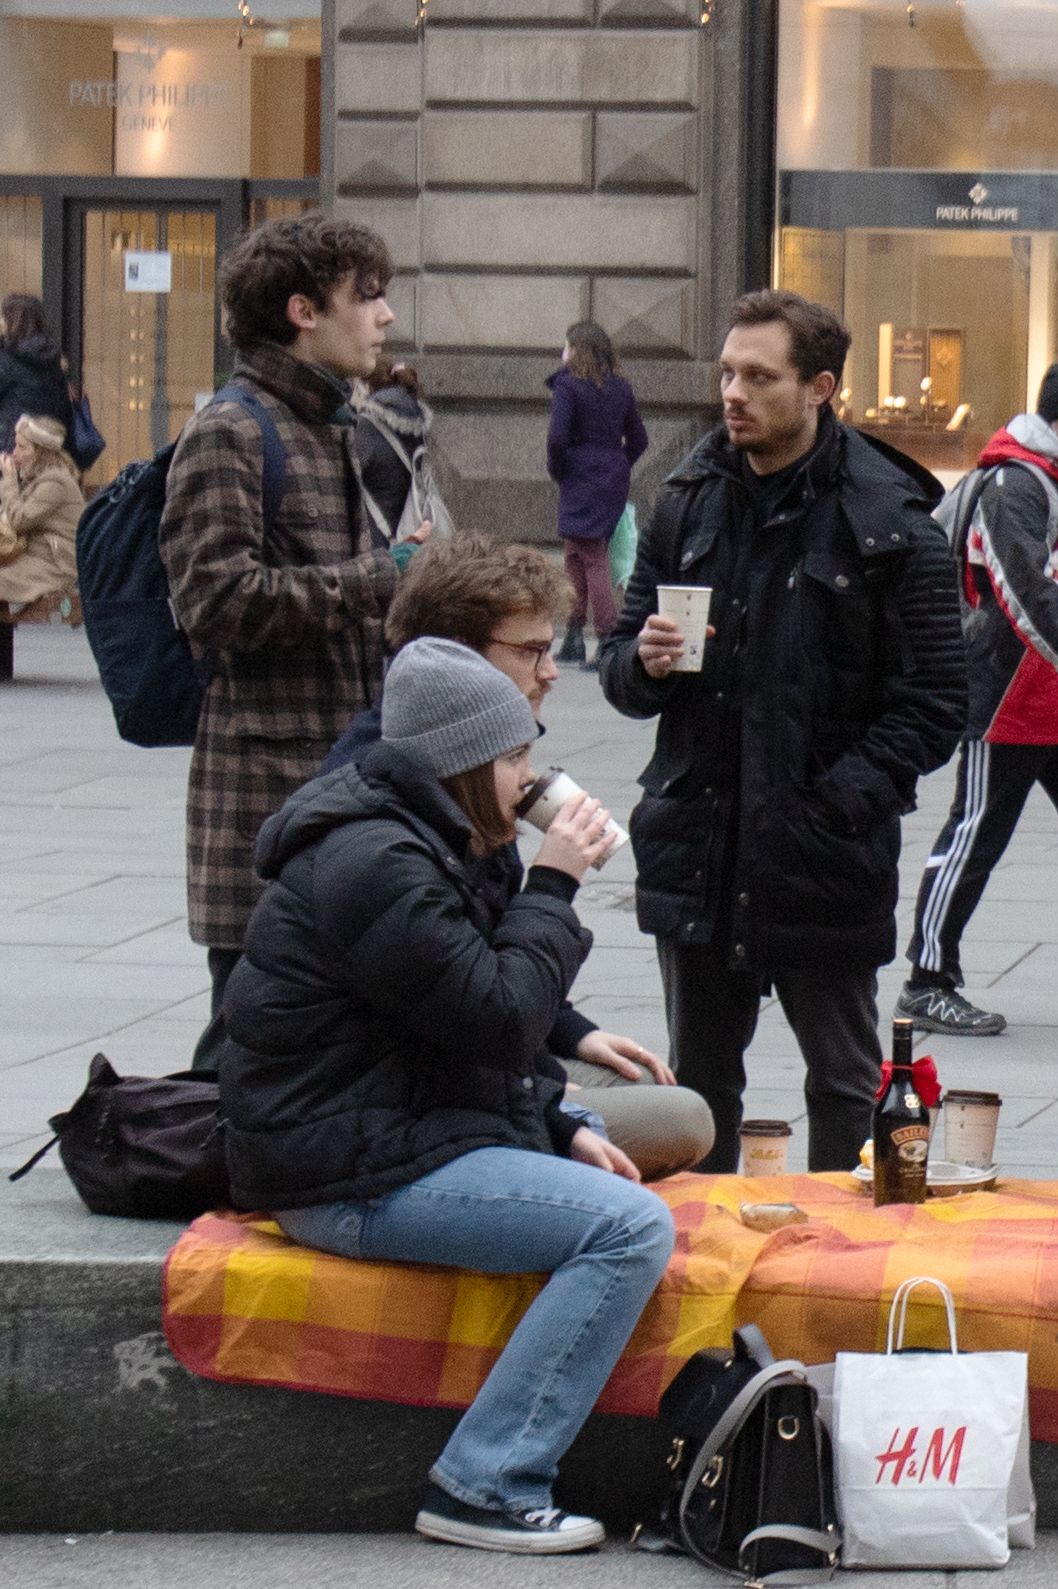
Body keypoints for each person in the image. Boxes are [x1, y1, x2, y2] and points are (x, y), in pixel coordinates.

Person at [218, 637, 671, 1556]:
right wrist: (555, 879)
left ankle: (495, 1473)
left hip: (383, 1132)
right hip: (340, 1175)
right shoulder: (377, 860)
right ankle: (489, 1482)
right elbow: (500, 1018)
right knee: (627, 1228)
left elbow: (453, 1032)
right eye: (514, 758)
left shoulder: (420, 838)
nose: (529, 777)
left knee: (635, 1140)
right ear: (463, 763)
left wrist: (551, 1120)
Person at [599, 289, 965, 1174]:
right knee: (698, 1090)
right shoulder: (685, 501)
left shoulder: (891, 525)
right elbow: (619, 669)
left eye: (759, 376)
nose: (733, 392)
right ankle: (702, 1268)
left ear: (820, 388)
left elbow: (937, 701)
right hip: (699, 846)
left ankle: (844, 1269)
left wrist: (833, 804)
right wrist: (640, 664)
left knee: (843, 1081)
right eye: (727, 371)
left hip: (821, 855)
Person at [321, 534, 713, 1179]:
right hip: (392, 1105)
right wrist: (542, 1089)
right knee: (680, 1122)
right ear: (453, 656)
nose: (552, 671)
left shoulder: (444, 770)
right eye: (531, 651)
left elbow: (464, 961)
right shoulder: (396, 802)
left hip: (453, 1065)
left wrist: (569, 1033)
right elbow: (448, 1007)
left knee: (650, 1085)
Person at [160, 215, 412, 1014]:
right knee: (245, 1055)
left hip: (341, 788)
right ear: (304, 311)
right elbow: (218, 601)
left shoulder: (332, 423)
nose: (385, 315)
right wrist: (379, 576)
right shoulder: (231, 431)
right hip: (263, 804)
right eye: (366, 296)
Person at [897, 364, 1058, 1035]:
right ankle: (926, 979)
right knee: (973, 837)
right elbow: (1030, 600)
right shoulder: (1016, 484)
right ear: (1055, 420)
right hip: (1008, 703)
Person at [547, 322, 647, 668]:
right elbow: (639, 439)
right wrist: (617, 465)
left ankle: (606, 638)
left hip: (580, 475)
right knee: (575, 553)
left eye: (566, 345)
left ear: (576, 350)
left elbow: (557, 439)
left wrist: (562, 469)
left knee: (591, 556)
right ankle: (574, 636)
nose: (564, 352)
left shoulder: (568, 386)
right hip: (610, 477)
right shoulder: (621, 388)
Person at [0, 415, 83, 625]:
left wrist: (9, 482)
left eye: (22, 447)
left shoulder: (55, 482)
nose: (15, 453)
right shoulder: (41, 479)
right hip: (37, 557)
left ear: (41, 452)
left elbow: (19, 519)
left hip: (54, 564)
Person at [354, 357, 434, 562]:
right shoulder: (415, 422)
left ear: (366, 386)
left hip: (374, 541)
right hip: (408, 527)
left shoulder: (369, 425)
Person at [0, 294, 72, 443]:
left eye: (3, 316)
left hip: (11, 445)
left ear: (12, 321)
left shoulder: (10, 359)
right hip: (45, 444)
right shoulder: (51, 357)